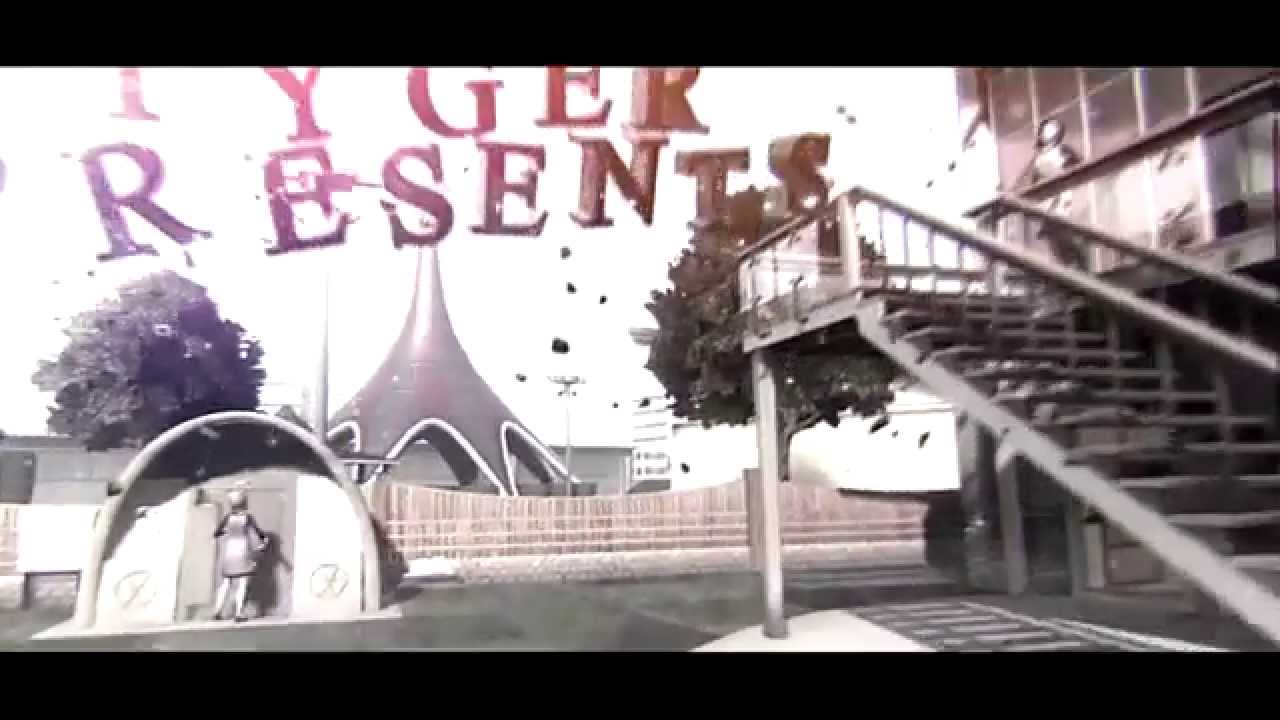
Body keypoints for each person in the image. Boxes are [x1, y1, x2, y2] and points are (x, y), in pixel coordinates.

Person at [212, 483, 269, 622]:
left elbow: (216, 533)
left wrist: (226, 531)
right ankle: (238, 613)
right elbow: (260, 534)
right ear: (244, 502)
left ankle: (217, 611)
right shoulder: (247, 517)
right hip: (243, 549)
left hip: (230, 551)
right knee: (242, 582)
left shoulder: (227, 517)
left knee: (226, 581)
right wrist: (264, 542)